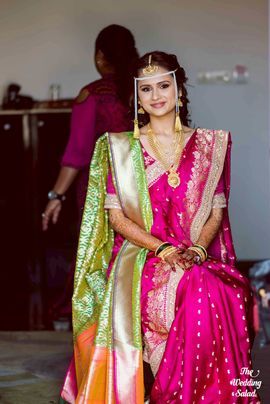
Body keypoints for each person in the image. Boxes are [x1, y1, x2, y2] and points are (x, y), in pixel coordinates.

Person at [60, 52, 261, 403]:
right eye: (146, 89)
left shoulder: (208, 145)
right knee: (197, 288)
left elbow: (215, 211)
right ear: (136, 98)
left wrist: (197, 250)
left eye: (164, 86)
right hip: (143, 255)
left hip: (193, 253)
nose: (156, 96)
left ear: (179, 90)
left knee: (228, 290)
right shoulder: (121, 148)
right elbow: (117, 218)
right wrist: (163, 249)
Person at [42, 24, 138, 230]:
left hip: (101, 189)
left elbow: (78, 152)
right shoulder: (146, 89)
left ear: (100, 56)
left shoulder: (92, 95)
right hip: (145, 185)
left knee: (98, 253)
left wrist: (56, 195)